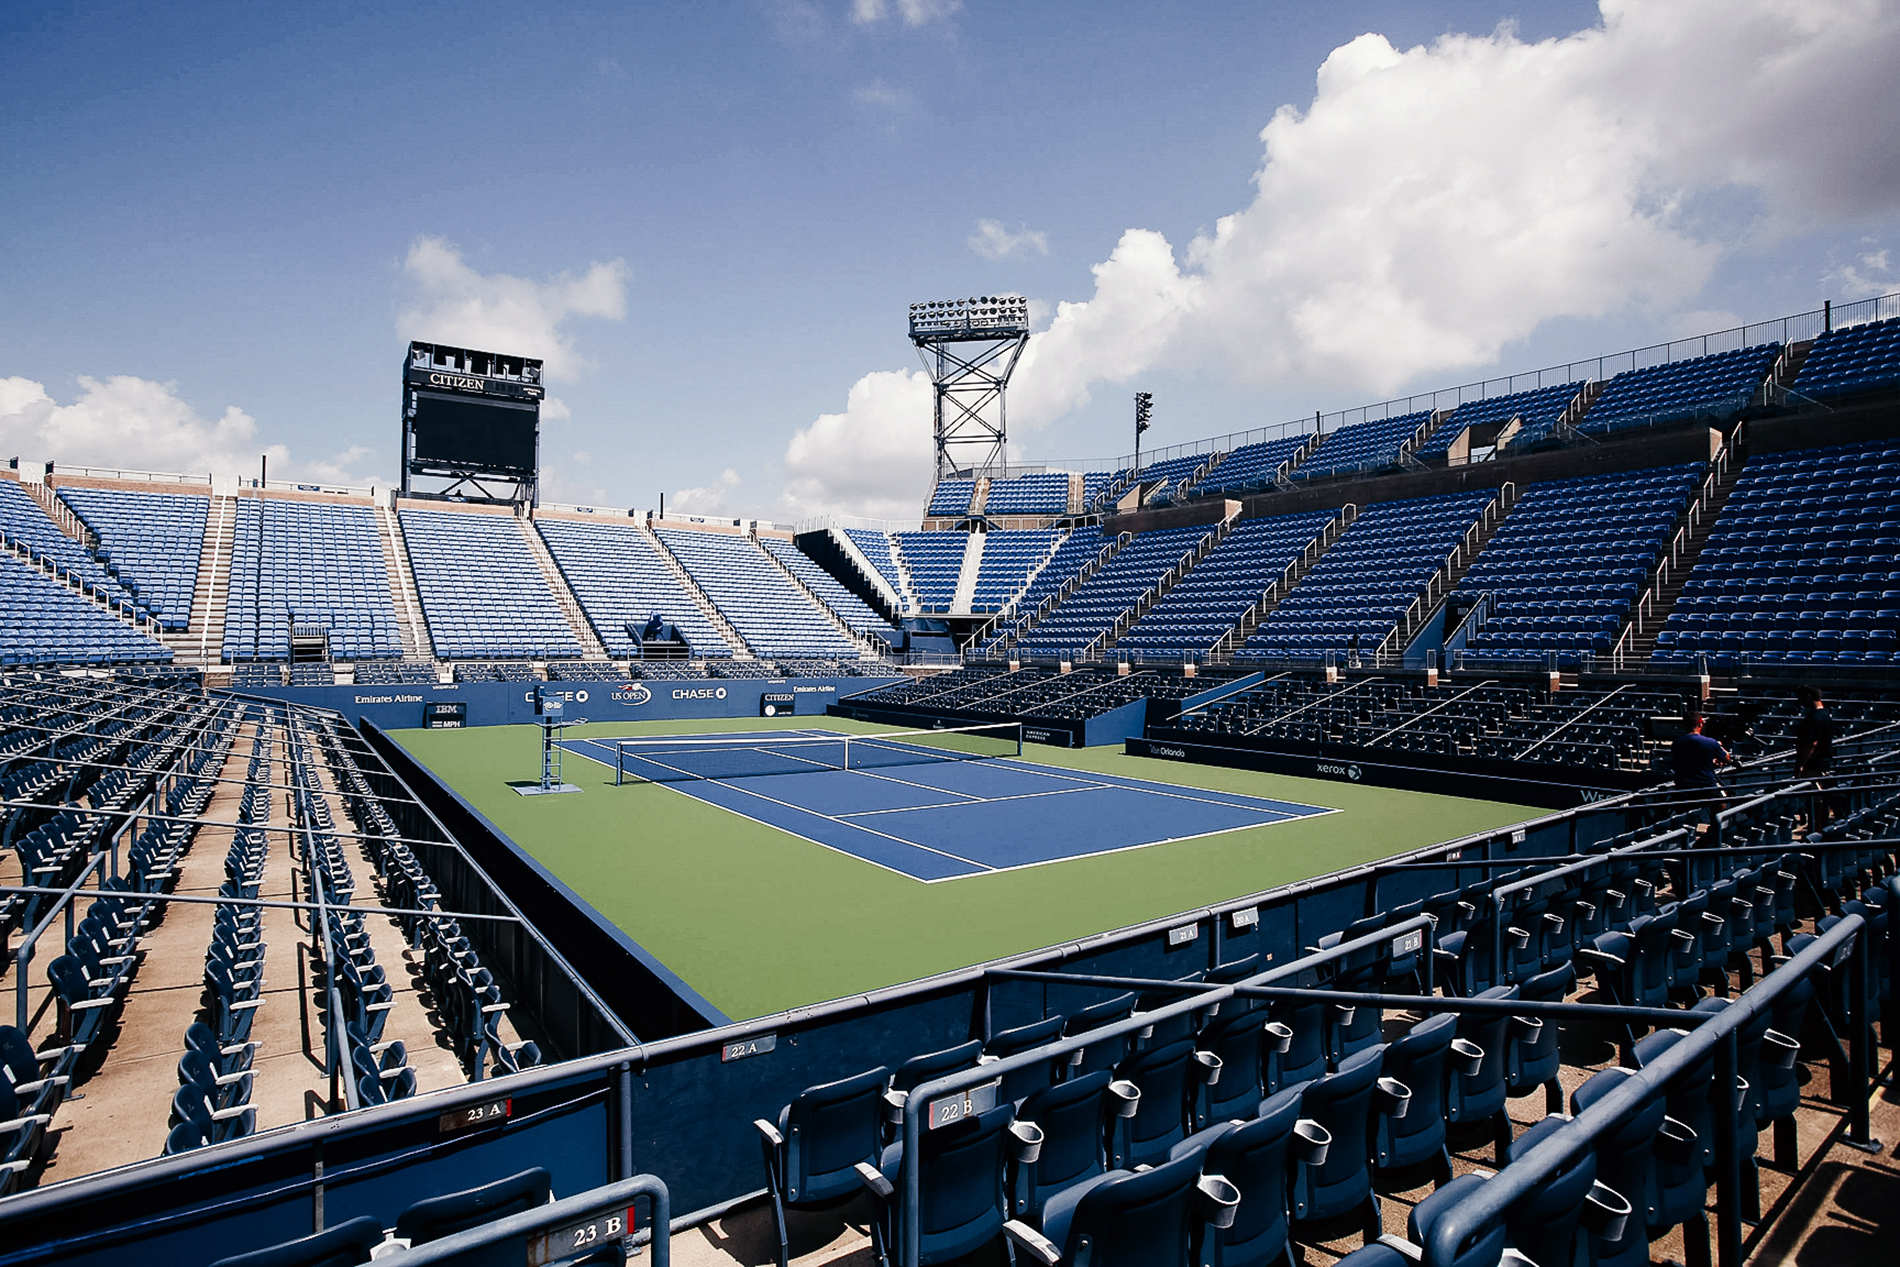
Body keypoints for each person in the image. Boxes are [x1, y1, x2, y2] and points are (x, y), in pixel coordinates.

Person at [1672, 710, 1732, 797]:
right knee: (1721, 802)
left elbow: (1690, 760)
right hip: (1705, 786)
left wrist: (1711, 760)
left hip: (1682, 786)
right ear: (1700, 724)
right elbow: (1726, 759)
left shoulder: (1676, 743)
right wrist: (1720, 746)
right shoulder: (1710, 742)